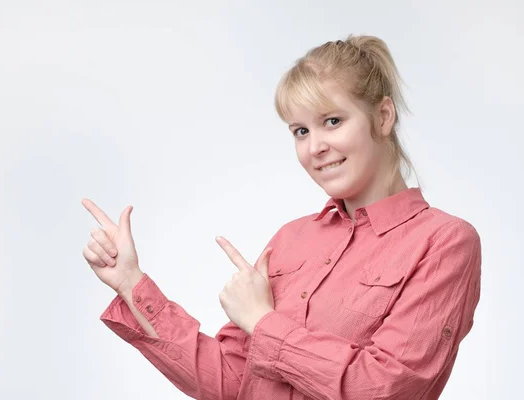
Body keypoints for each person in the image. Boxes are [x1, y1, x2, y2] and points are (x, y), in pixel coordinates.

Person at [81, 34, 482, 400]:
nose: (315, 147)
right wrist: (131, 283)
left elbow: (382, 388)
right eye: (300, 131)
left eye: (332, 121)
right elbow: (229, 382)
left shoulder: (445, 242)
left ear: (383, 116)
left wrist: (263, 322)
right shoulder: (290, 240)